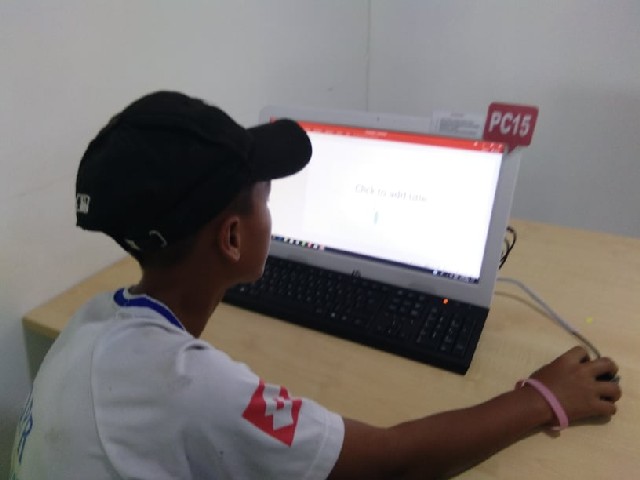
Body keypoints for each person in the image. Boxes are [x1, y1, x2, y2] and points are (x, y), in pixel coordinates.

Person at [11, 91, 622, 480]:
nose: (273, 211)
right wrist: (541, 398)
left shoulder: (94, 321)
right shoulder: (194, 387)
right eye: (265, 196)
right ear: (232, 238)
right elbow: (394, 462)